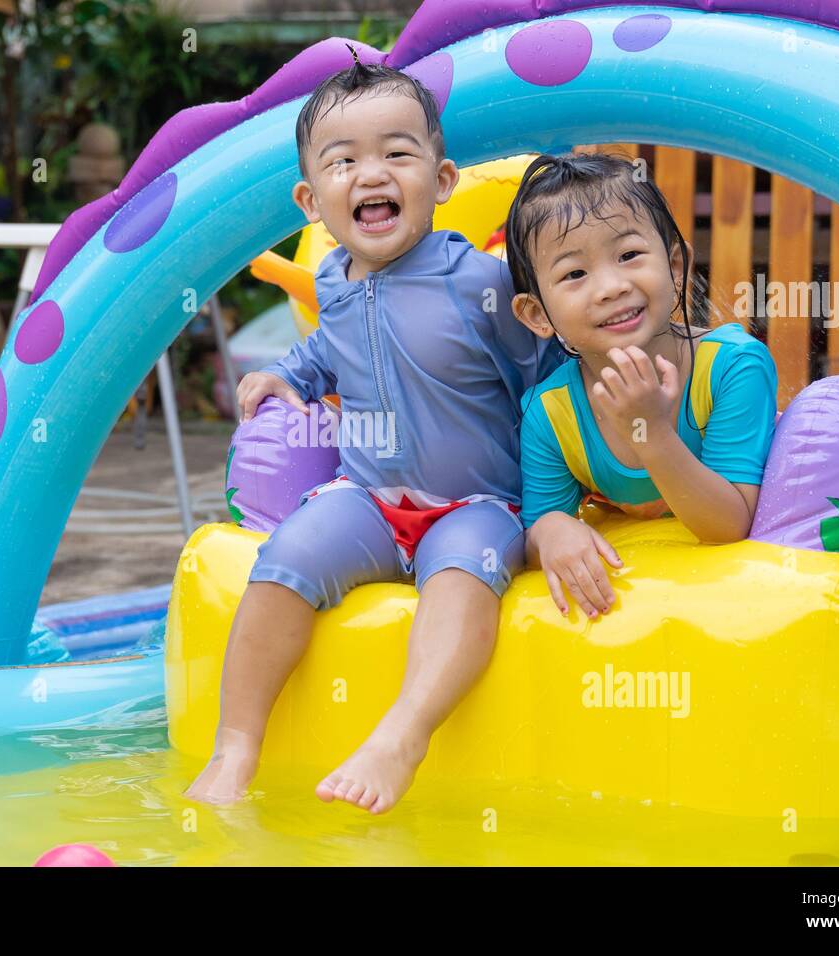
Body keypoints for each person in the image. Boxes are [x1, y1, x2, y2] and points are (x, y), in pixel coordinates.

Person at [183, 60, 557, 814]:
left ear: (443, 179)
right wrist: (287, 375)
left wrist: (558, 504)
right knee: (282, 560)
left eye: (396, 152)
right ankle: (236, 747)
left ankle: (403, 736)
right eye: (343, 161)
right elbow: (332, 350)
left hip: (476, 503)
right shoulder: (334, 283)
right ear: (311, 199)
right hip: (368, 498)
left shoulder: (482, 286)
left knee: (460, 582)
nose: (371, 173)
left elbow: (545, 379)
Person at [509, 152, 778, 618]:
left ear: (675, 267)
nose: (611, 286)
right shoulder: (551, 415)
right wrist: (551, 530)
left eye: (629, 255)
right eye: (575, 274)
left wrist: (651, 433)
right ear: (538, 315)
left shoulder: (731, 368)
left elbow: (730, 524)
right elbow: (536, 536)